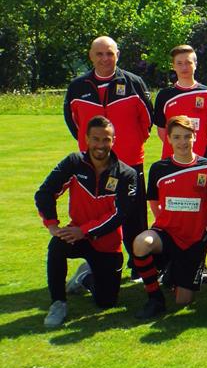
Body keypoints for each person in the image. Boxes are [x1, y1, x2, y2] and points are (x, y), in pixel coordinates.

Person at [35, 116, 138, 329]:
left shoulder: (126, 174)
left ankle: (84, 277)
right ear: (87, 139)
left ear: (114, 140)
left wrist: (84, 231)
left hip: (107, 243)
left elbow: (120, 215)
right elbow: (45, 193)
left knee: (106, 302)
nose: (101, 145)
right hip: (77, 236)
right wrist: (53, 226)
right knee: (57, 245)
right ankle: (58, 303)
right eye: (96, 139)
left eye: (106, 139)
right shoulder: (74, 163)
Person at [64, 35, 153, 277]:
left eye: (110, 53)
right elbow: (74, 123)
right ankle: (100, 264)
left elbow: (147, 121)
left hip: (130, 164)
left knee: (134, 216)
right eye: (99, 54)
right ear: (91, 56)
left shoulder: (133, 83)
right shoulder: (78, 86)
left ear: (118, 55)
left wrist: (131, 144)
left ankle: (139, 266)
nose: (105, 58)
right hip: (94, 166)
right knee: (99, 215)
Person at [133, 116, 207, 319]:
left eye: (187, 136)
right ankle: (155, 298)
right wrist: (166, 221)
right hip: (166, 232)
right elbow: (154, 201)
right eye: (177, 137)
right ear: (169, 139)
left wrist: (199, 223)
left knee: (183, 300)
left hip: (194, 237)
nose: (182, 142)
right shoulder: (159, 168)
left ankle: (173, 271)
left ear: (195, 137)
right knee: (140, 243)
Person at [152, 45, 207, 159]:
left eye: (188, 63)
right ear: (173, 66)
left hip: (200, 159)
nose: (184, 67)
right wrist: (177, 149)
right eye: (179, 63)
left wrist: (203, 152)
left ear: (195, 64)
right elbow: (161, 130)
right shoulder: (164, 95)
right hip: (172, 159)